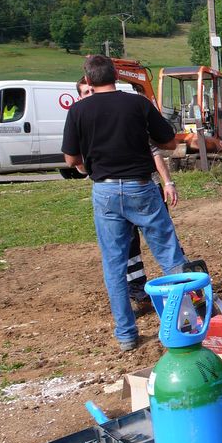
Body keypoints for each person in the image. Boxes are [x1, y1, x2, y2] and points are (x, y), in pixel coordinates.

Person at [63, 56, 188, 352]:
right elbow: (169, 142)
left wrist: (86, 165)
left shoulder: (78, 110)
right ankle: (186, 322)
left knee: (114, 265)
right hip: (141, 188)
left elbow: (71, 159)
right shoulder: (138, 103)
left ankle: (126, 335)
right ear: (116, 76)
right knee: (170, 255)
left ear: (88, 79)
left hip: (104, 191)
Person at [76, 78, 182, 307]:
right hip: (113, 193)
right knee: (129, 249)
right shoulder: (85, 118)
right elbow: (76, 161)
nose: (90, 94)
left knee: (165, 244)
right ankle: (139, 292)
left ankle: (184, 295)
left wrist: (167, 182)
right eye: (85, 92)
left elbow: (157, 150)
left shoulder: (124, 112)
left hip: (141, 188)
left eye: (91, 90)